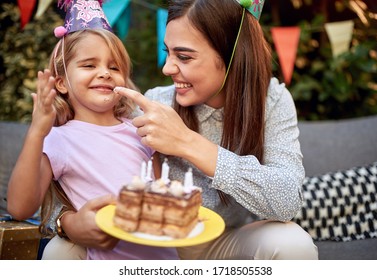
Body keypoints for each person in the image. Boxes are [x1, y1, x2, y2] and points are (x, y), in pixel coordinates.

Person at [46, 0, 319, 259]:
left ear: (232, 55)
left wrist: (188, 142)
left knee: (293, 244)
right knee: (60, 251)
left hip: (225, 245)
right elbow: (73, 162)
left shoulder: (271, 101)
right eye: (168, 52)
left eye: (184, 57)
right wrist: (66, 222)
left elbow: (287, 201)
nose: (167, 68)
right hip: (152, 244)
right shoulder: (153, 105)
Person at [6, 0, 178, 260]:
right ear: (61, 83)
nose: (104, 73)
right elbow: (20, 208)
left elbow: (159, 195)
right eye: (89, 65)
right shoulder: (58, 139)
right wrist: (36, 133)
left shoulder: (140, 130)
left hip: (162, 260)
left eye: (114, 67)